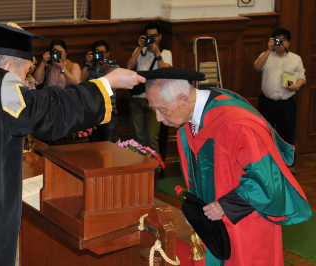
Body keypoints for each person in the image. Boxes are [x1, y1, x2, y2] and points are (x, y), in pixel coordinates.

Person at [0, 20, 145, 266]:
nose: (25, 83)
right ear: (7, 66)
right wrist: (107, 83)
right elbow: (51, 109)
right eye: (25, 74)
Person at [143, 67, 312, 265]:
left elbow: (268, 180)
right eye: (153, 109)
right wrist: (196, 211)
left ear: (182, 99)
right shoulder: (191, 117)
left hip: (245, 223)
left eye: (161, 110)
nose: (158, 119)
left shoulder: (235, 124)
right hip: (212, 224)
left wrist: (227, 205)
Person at [255, 28, 305, 175]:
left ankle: (289, 164)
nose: (279, 43)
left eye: (282, 40)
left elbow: (302, 76)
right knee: (264, 133)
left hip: (286, 103)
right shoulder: (266, 56)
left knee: (287, 134)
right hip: (266, 102)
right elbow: (257, 67)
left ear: (288, 43)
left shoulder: (295, 59)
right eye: (276, 39)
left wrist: (297, 86)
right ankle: (265, 163)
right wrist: (268, 50)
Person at [127, 22, 172, 152]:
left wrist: (157, 53)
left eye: (154, 36)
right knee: (138, 138)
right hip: (137, 99)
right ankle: (140, 170)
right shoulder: (139, 51)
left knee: (152, 138)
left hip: (156, 100)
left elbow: (165, 71)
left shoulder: (166, 53)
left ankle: (154, 170)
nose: (152, 39)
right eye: (148, 36)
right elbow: (129, 67)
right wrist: (139, 48)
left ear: (160, 37)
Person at [82, 40, 120, 142]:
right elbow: (80, 81)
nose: (99, 55)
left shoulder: (115, 68)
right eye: (97, 52)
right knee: (94, 144)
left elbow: (115, 87)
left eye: (102, 52)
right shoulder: (91, 66)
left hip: (109, 111)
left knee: (108, 145)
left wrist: (107, 71)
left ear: (108, 53)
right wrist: (86, 64)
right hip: (94, 111)